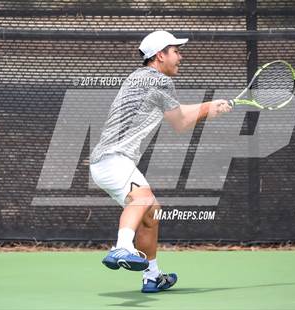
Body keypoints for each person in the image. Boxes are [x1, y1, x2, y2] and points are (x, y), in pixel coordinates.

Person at [90, 30, 231, 293]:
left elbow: (174, 112)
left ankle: (152, 277)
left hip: (111, 161)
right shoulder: (158, 80)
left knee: (151, 212)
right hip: (112, 159)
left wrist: (210, 105)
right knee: (142, 197)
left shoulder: (141, 78)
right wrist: (206, 110)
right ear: (159, 56)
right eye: (175, 51)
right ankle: (121, 246)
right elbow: (180, 123)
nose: (181, 56)